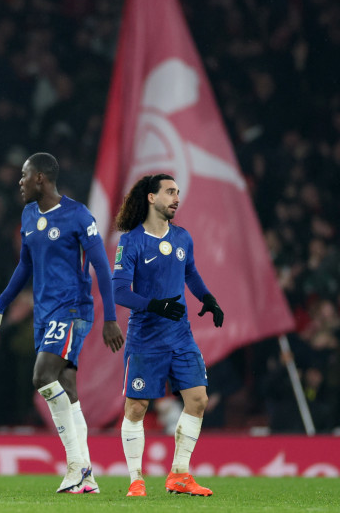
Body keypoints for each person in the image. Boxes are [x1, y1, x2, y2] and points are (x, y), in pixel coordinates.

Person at [0, 152, 124, 494]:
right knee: (68, 390)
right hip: (44, 313)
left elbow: (101, 266)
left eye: (24, 176)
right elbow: (24, 268)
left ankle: (76, 465)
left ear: (40, 178)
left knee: (42, 377)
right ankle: (86, 477)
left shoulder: (78, 215)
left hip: (71, 309)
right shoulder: (29, 215)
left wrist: (111, 318)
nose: (20, 182)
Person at [111, 174, 224, 497]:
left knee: (198, 399)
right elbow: (119, 291)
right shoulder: (131, 241)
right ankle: (136, 478)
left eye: (178, 192)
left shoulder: (182, 237)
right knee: (136, 409)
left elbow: (190, 272)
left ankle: (179, 474)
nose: (176, 198)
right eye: (170, 192)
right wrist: (154, 305)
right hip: (146, 339)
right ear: (151, 197)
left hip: (181, 337)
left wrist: (208, 298)